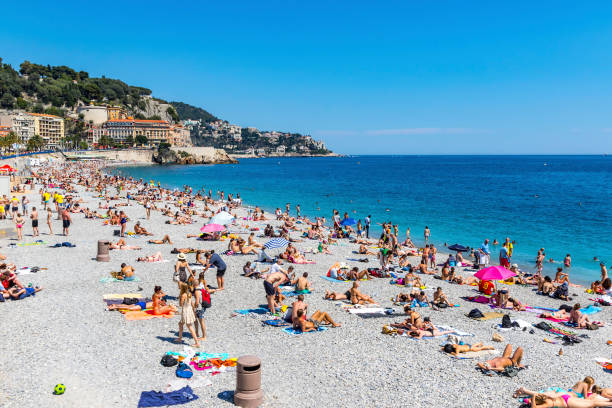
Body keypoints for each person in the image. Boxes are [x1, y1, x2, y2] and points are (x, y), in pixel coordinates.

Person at [512, 387, 612, 407]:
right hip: (564, 396)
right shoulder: (546, 399)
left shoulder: (547, 403)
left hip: (568, 402)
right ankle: (524, 390)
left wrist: (533, 398)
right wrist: (533, 396)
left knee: (592, 403)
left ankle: (610, 403)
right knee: (592, 403)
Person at [175, 282, 200, 348]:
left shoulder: (183, 295)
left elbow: (180, 304)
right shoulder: (189, 293)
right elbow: (192, 303)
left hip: (185, 311)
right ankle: (180, 338)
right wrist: (193, 310)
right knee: (180, 324)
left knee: (190, 327)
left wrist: (180, 298)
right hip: (189, 309)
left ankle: (197, 343)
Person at [194, 272, 211, 341]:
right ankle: (197, 333)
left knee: (201, 322)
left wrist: (194, 307)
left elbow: (197, 301)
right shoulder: (201, 288)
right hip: (203, 306)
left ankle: (204, 336)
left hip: (199, 308)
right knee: (196, 319)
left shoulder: (197, 291)